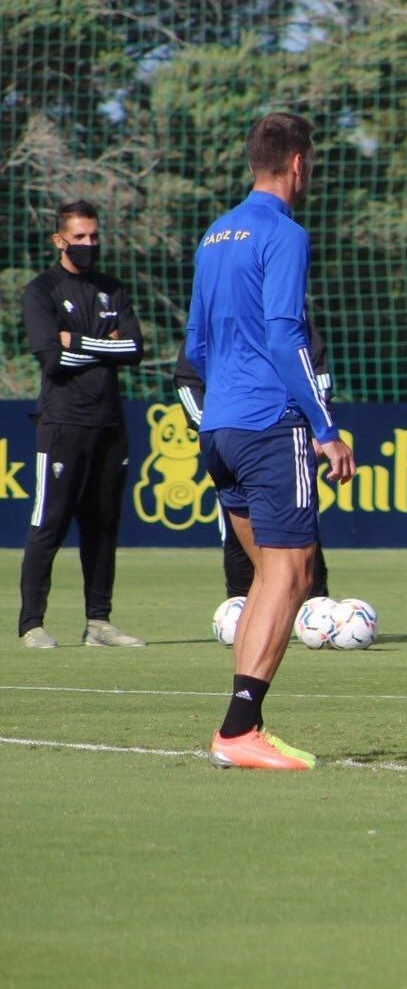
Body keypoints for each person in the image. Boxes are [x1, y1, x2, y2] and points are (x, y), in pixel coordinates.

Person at [186, 112, 354, 771]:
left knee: (267, 575)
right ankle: (237, 729)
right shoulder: (284, 232)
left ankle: (244, 726)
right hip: (268, 423)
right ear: (297, 165)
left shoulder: (214, 235)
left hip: (219, 426)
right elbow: (287, 334)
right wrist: (325, 428)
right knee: (294, 571)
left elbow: (196, 345)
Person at [17, 200, 146, 649]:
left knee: (103, 524)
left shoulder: (113, 288)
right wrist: (102, 345)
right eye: (80, 237)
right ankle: (32, 624)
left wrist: (81, 342)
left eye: (94, 236)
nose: (89, 244)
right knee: (48, 522)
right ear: (59, 240)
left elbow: (134, 349)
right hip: (62, 422)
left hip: (109, 423)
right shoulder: (42, 290)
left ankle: (99, 623)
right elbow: (52, 359)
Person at [174, 325, 334, 601]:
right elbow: (188, 378)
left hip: (285, 436)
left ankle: (314, 607)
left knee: (299, 528)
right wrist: (210, 423)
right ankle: (239, 602)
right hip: (232, 437)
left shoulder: (288, 314)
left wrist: (319, 425)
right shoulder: (215, 316)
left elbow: (317, 372)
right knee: (240, 530)